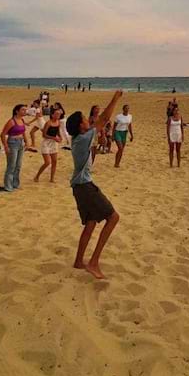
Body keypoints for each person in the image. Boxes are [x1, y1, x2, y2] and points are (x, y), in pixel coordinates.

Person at [66, 90, 123, 279]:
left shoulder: (77, 139)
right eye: (85, 119)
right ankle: (94, 262)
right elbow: (105, 118)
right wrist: (115, 98)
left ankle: (78, 261)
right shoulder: (83, 138)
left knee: (90, 224)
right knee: (113, 217)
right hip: (85, 187)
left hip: (79, 187)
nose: (88, 120)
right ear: (81, 127)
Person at [0, 104, 29, 192]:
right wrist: (5, 146)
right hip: (12, 142)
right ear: (17, 111)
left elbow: (23, 132)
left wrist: (27, 141)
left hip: (20, 142)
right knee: (11, 165)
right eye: (23, 110)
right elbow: (3, 134)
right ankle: (8, 186)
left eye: (25, 110)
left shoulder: (22, 120)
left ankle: (15, 184)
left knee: (18, 165)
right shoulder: (12, 121)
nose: (25, 111)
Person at [34, 109, 62, 183]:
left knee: (54, 161)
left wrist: (60, 137)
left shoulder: (58, 122)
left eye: (59, 114)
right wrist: (54, 138)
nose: (58, 115)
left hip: (54, 143)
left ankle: (52, 178)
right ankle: (37, 176)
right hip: (46, 143)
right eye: (56, 114)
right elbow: (44, 135)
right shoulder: (48, 123)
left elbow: (58, 132)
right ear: (52, 115)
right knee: (47, 162)